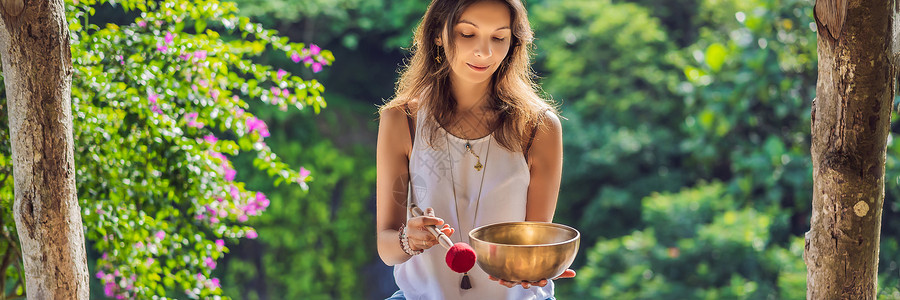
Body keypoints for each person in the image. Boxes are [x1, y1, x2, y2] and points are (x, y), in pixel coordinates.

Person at [376, 0, 574, 299]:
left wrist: (532, 270)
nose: (485, 51)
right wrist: (408, 239)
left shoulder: (539, 126)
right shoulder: (402, 120)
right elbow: (386, 246)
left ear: (514, 43)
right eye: (467, 34)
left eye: (499, 37)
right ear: (438, 34)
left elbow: (534, 241)